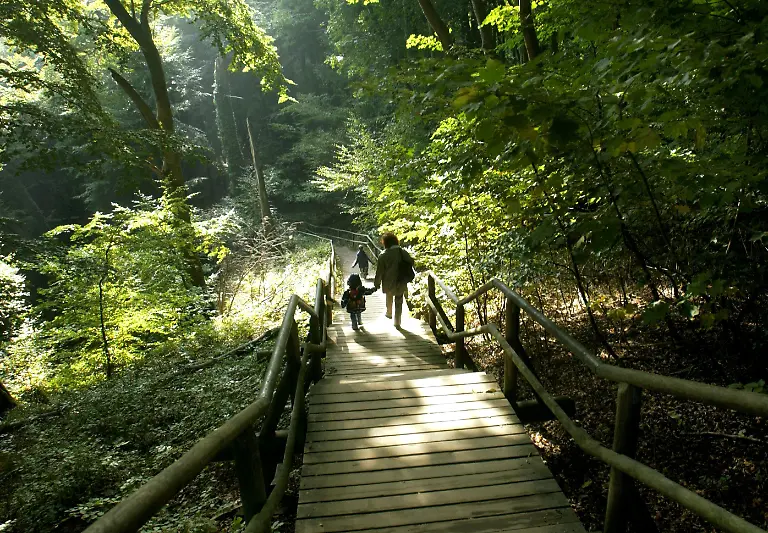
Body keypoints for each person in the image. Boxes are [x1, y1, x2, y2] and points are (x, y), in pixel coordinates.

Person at [374, 232, 414, 328]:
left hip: (388, 281)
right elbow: (411, 262)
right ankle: (397, 321)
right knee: (399, 299)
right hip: (401, 279)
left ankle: (389, 312)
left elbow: (379, 271)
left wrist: (377, 283)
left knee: (389, 295)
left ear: (386, 243)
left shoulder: (383, 255)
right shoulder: (403, 252)